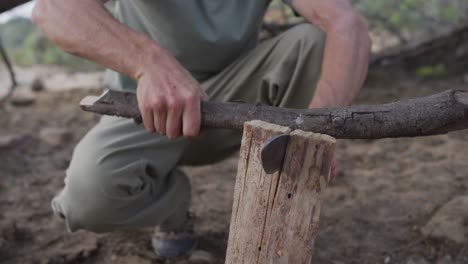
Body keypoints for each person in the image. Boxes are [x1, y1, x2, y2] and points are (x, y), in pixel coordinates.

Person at [32, 0, 371, 259]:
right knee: (89, 200)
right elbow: (53, 9)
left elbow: (347, 23)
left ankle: (278, 219)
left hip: (240, 101)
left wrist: (318, 130)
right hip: (144, 108)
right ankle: (173, 206)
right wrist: (150, 63)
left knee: (313, 41)